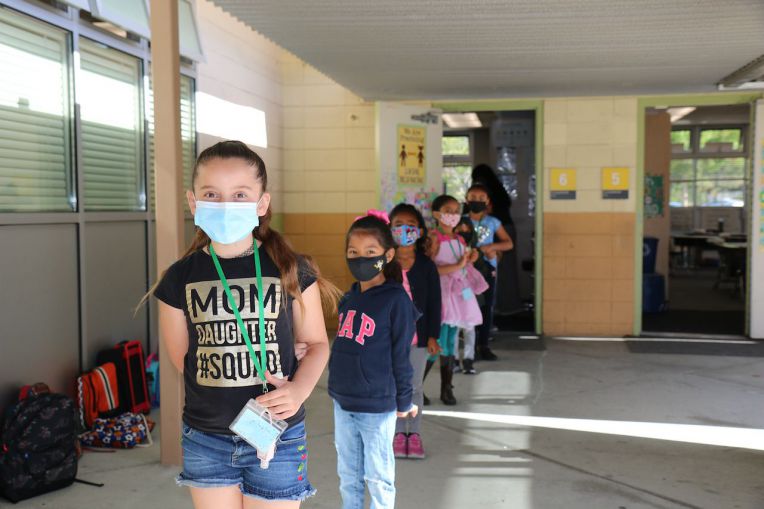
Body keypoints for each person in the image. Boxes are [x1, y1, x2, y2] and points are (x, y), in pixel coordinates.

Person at [146, 140, 339, 509]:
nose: (225, 205)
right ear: (193, 202)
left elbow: (316, 343)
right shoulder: (178, 278)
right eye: (211, 194)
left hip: (278, 435)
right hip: (207, 437)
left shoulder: (290, 268)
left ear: (261, 203)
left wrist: (298, 390)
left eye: (239, 194)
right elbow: (183, 357)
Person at [329, 211, 419, 509]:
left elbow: (400, 356)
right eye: (353, 253)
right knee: (348, 475)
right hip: (343, 401)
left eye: (370, 253)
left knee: (379, 478)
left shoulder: (396, 300)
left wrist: (404, 401)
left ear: (388, 254)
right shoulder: (349, 297)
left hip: (377, 406)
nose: (360, 259)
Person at [389, 203, 442, 459]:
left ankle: (415, 434)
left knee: (415, 388)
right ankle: (399, 434)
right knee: (395, 387)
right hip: (390, 339)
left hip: (419, 340)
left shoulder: (426, 266)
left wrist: (433, 335)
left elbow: (435, 302)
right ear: (390, 229)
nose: (404, 230)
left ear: (419, 231)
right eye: (398, 225)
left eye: (410, 225)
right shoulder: (385, 263)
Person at [428, 195, 488, 405]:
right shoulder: (433, 238)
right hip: (442, 296)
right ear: (437, 214)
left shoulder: (460, 239)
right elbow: (430, 270)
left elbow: (462, 265)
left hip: (458, 296)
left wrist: (469, 260)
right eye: (448, 210)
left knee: (451, 341)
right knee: (438, 342)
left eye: (456, 210)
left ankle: (447, 388)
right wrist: (457, 266)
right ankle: (416, 387)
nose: (453, 215)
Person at [465, 183, 514, 361]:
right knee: (469, 306)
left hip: (487, 269)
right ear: (466, 199)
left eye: (481, 198)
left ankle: (483, 345)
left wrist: (492, 246)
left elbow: (508, 243)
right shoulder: (462, 221)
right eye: (473, 198)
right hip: (466, 270)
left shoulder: (493, 222)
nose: (476, 201)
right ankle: (468, 349)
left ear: (487, 201)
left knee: (486, 307)